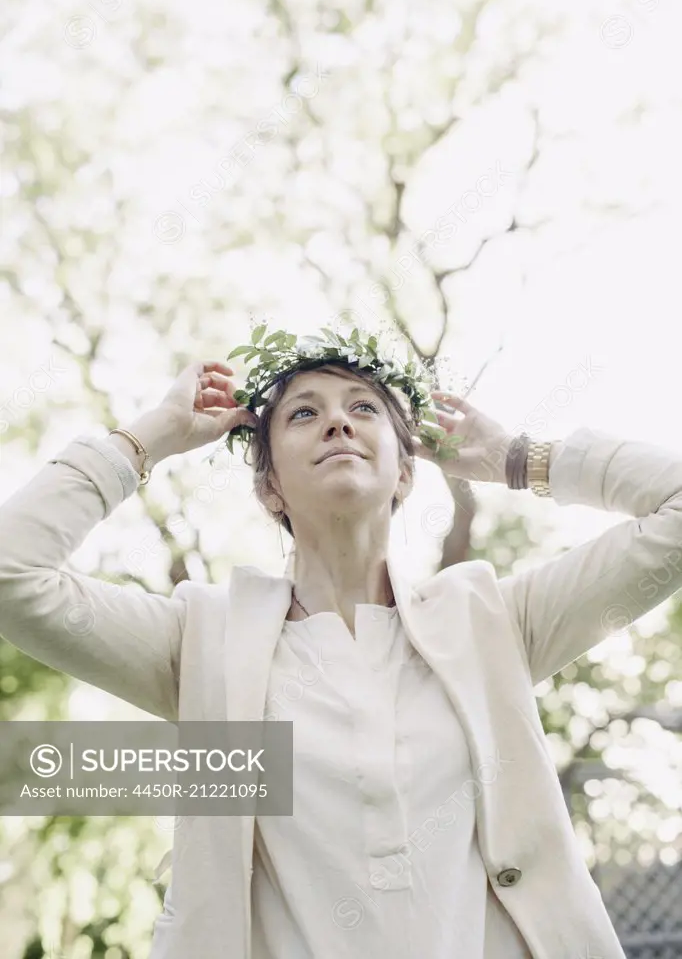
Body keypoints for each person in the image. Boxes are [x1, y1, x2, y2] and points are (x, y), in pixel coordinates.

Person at [1, 330, 681, 959]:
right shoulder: (201, 643)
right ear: (270, 488)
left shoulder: (493, 622)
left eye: (363, 407)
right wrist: (150, 438)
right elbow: (12, 574)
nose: (337, 421)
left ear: (406, 471)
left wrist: (518, 458)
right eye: (303, 413)